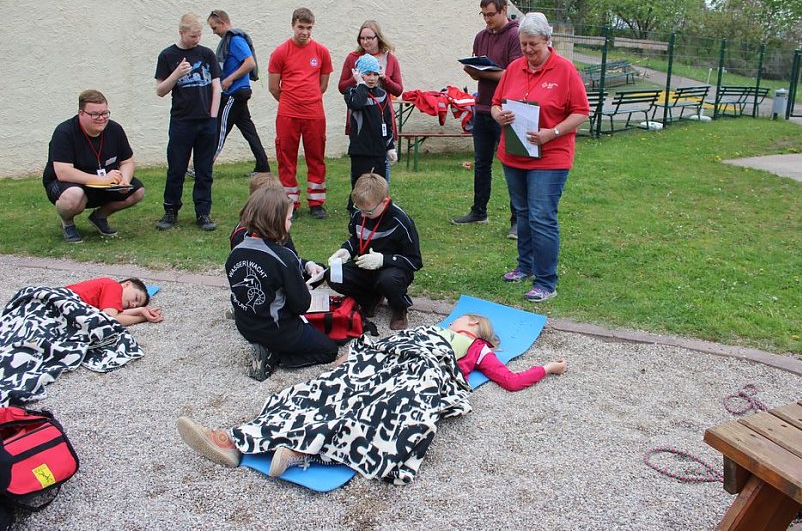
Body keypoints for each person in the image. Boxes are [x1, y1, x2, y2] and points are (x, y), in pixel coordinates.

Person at [176, 313, 567, 483]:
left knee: (379, 412)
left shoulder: (476, 348)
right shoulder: (431, 329)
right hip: (385, 363)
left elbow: (510, 380)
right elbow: (393, 343)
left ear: (475, 325)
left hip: (422, 374)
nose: (455, 320)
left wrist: (547, 368)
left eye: (463, 319)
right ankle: (234, 439)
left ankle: (301, 452)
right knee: (317, 393)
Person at [490, 13, 589, 302]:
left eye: (533, 44)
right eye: (523, 44)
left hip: (550, 156)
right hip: (515, 153)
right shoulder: (514, 68)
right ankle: (525, 266)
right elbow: (496, 103)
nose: (528, 50)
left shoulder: (565, 70)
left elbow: (581, 112)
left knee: (542, 216)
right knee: (522, 213)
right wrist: (499, 115)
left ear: (547, 40)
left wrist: (552, 132)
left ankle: (546, 282)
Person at [225, 185, 338, 381]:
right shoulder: (284, 257)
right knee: (329, 350)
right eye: (289, 219)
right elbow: (301, 305)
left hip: (245, 325)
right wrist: (302, 288)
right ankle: (274, 355)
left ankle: (266, 347)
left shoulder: (236, 252)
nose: (290, 224)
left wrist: (304, 267)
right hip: (277, 330)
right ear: (276, 222)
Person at [452, 0, 523, 240]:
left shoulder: (515, 36)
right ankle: (478, 212)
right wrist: (474, 71)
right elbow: (478, 68)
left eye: (490, 14)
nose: (486, 19)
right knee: (482, 164)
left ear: (504, 10)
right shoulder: (481, 36)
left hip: (506, 110)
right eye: (483, 14)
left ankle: (517, 220)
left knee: (513, 165)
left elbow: (513, 74)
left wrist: (481, 73)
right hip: (482, 107)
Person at [42, 90, 145, 243]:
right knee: (73, 196)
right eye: (95, 114)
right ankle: (67, 223)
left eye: (105, 113)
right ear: (81, 113)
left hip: (102, 184)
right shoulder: (64, 132)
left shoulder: (115, 129)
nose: (101, 118)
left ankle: (99, 217)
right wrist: (102, 180)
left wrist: (124, 180)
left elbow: (127, 161)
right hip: (68, 184)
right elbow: (63, 172)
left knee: (137, 191)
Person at [326, 173, 421, 330]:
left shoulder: (401, 221)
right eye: (359, 209)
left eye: (368, 212)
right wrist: (346, 249)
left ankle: (399, 308)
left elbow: (415, 261)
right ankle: (369, 298)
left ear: (384, 202)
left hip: (393, 270)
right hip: (365, 266)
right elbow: (356, 238)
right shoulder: (360, 213)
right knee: (333, 274)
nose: (363, 215)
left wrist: (383, 260)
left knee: (388, 280)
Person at [154, 12, 222, 232]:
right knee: (176, 168)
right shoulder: (167, 55)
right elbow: (160, 90)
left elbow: (216, 87)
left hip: (206, 122)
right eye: (193, 36)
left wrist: (213, 117)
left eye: (199, 35)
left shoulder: (206, 54)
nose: (197, 39)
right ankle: (170, 210)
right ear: (181, 33)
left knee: (204, 170)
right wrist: (176, 74)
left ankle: (203, 212)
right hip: (181, 121)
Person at [268, 7, 333, 219]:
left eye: (309, 28)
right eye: (301, 27)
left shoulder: (321, 52)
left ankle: (316, 202)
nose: (304, 32)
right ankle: (290, 203)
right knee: (286, 158)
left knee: (316, 157)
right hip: (288, 114)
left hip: (314, 114)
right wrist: (291, 102)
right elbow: (273, 87)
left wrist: (308, 100)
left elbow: (323, 85)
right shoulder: (280, 52)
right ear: (293, 25)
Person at [207, 10, 271, 176]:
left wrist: (229, 79)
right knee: (249, 131)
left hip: (234, 93)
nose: (214, 32)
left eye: (214, 28)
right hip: (240, 92)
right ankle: (263, 167)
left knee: (220, 129)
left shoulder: (235, 39)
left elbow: (249, 63)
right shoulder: (231, 40)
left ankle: (204, 166)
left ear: (222, 22)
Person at [343, 54, 396, 210]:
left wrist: (390, 147)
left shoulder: (382, 94)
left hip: (378, 149)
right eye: (367, 74)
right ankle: (355, 209)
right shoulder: (352, 92)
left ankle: (378, 207)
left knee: (378, 183)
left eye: (375, 74)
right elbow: (357, 104)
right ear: (359, 74)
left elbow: (387, 121)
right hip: (361, 150)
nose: (372, 78)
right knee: (360, 183)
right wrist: (361, 84)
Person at [337, 20, 403, 98]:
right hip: (358, 105)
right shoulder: (353, 57)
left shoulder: (390, 59)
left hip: (381, 105)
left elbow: (398, 91)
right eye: (362, 38)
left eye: (369, 38)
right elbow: (342, 88)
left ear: (378, 38)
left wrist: (385, 79)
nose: (365, 42)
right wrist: (355, 79)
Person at [65, 277, 164, 327]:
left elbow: (110, 316)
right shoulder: (114, 286)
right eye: (136, 298)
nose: (133, 304)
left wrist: (141, 310)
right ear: (127, 284)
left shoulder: (106, 300)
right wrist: (143, 318)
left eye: (135, 306)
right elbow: (110, 319)